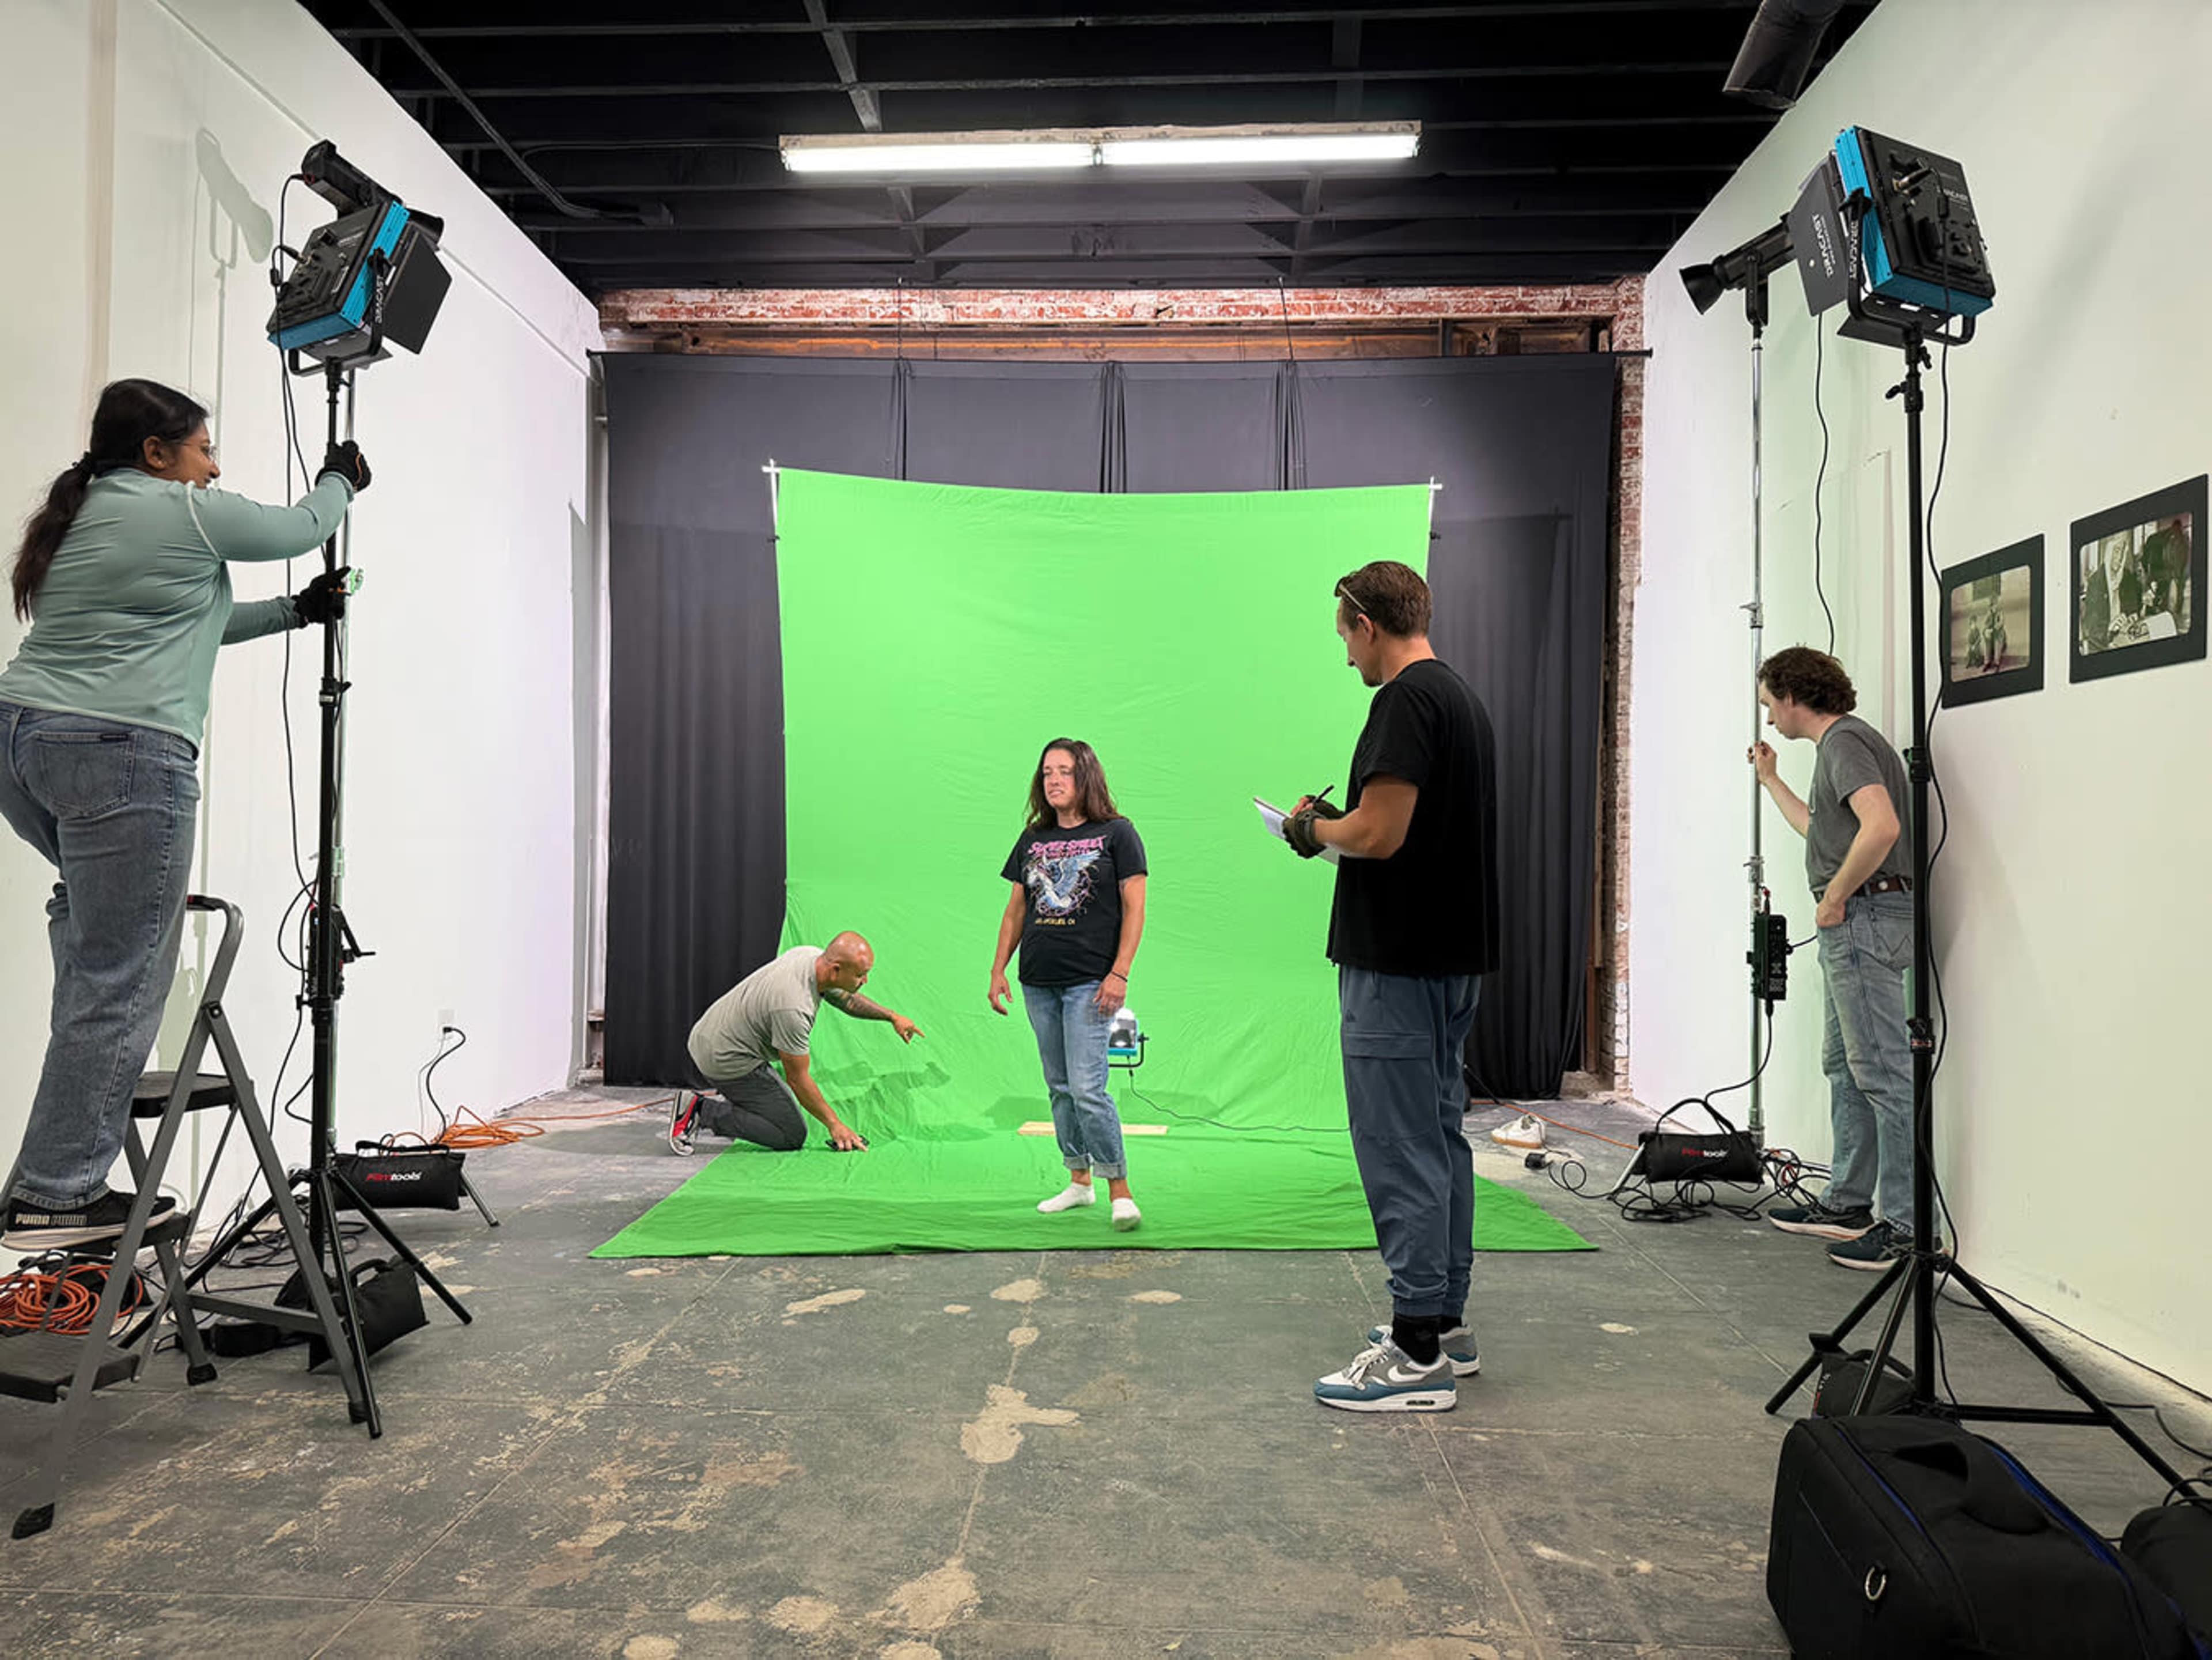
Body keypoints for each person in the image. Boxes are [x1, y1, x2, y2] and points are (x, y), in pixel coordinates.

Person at [0, 379, 363, 1250]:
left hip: (25, 742)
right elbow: (298, 528)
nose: (215, 466)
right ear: (157, 454)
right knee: (122, 973)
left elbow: (184, 620)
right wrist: (341, 479)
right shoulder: (181, 510)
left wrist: (295, 613)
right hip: (123, 754)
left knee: (96, 950)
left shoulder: (86, 513)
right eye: (205, 449)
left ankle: (61, 1146)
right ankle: (55, 1190)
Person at [1285, 561, 1498, 1413]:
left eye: (1346, 636)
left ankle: (1415, 1356)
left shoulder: (1403, 702)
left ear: (1368, 624)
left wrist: (1308, 828)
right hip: (1451, 959)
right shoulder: (1462, 700)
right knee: (1439, 1137)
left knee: (1398, 1143)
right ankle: (1443, 1322)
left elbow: (1377, 833)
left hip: (1397, 963)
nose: (1347, 655)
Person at [1750, 647, 1919, 1270]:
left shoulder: (1845, 743)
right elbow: (1822, 830)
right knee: (1846, 1065)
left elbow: (1882, 826)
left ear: (1794, 695)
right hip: (1865, 919)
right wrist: (1771, 780)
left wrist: (1836, 897)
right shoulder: (1845, 746)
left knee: (1882, 1071)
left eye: (1770, 704)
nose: (1770, 719)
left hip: (1863, 920)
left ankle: (1904, 1226)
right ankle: (1848, 1202)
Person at [988, 739, 1147, 1231]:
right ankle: (1079, 1180)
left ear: (1086, 777)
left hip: (1091, 982)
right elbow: (1016, 911)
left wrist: (1119, 972)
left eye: (1064, 771)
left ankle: (1119, 1188)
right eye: (1047, 772)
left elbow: (1135, 908)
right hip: (1039, 979)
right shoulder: (1033, 838)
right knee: (1059, 1087)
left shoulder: (1117, 834)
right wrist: (998, 969)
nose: (1053, 780)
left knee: (1087, 1087)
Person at [668, 932, 921, 1155]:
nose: (865, 981)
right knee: (789, 1134)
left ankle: (741, 1099)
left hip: (709, 1034)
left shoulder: (811, 956)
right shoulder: (794, 1008)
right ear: (836, 970)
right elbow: (798, 1079)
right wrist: (835, 1125)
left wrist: (892, 1017)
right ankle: (700, 1110)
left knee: (778, 1103)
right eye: (860, 975)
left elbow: (848, 1001)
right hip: (724, 1058)